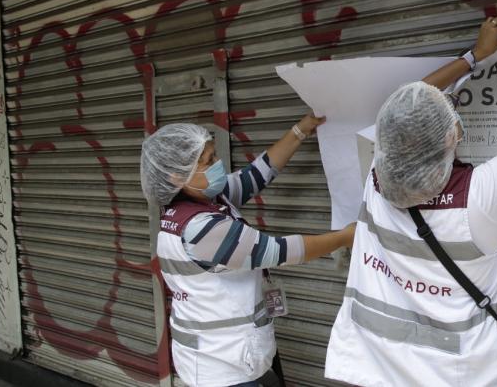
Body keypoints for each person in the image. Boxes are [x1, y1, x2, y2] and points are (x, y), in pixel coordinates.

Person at [324, 17, 497, 386]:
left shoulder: (375, 176)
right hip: (465, 374)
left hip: (378, 370)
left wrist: (474, 57)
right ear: (453, 136)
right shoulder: (478, 195)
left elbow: (402, 107)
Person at [140, 117, 355, 387]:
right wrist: (344, 237)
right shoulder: (200, 228)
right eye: (207, 161)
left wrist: (300, 131)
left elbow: (254, 176)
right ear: (176, 176)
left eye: (214, 154)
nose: (218, 163)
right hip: (222, 366)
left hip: (229, 355)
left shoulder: (201, 199)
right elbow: (278, 251)